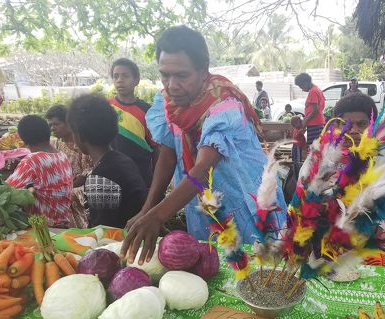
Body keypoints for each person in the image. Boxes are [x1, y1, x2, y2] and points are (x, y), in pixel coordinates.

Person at [122, 25, 286, 265]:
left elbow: (201, 171)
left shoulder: (224, 107)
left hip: (246, 205)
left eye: (181, 75)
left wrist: (158, 216)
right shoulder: (168, 102)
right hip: (203, 206)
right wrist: (148, 210)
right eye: (164, 75)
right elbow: (168, 155)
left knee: (258, 273)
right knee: (211, 271)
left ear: (203, 70)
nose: (171, 85)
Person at [331, 92, 385, 269]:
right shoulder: (327, 156)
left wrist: (360, 229)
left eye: (362, 124)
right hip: (330, 246)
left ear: (372, 125)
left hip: (377, 247)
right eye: (348, 124)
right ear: (337, 125)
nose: (354, 130)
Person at [67, 93, 147, 229]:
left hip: (121, 246)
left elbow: (104, 233)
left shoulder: (100, 178)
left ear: (80, 136)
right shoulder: (123, 160)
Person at [6, 115, 72, 228]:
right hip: (62, 222)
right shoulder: (62, 156)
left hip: (43, 228)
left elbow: (6, 192)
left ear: (23, 138)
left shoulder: (31, 161)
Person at [109, 58, 159, 187]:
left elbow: (156, 148)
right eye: (116, 76)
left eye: (125, 75)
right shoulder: (106, 107)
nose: (120, 80)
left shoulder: (148, 111)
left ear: (136, 80)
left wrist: (156, 181)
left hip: (141, 177)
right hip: (112, 177)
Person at [46, 104, 92, 228]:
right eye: (50, 125)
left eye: (56, 124)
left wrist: (66, 187)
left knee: (67, 196)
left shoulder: (81, 144)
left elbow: (87, 172)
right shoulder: (54, 144)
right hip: (62, 186)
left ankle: (77, 229)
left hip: (82, 187)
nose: (52, 128)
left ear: (69, 123)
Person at [294, 72, 326, 146]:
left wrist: (305, 122)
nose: (302, 89)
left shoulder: (313, 91)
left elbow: (315, 110)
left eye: (301, 86)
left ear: (305, 83)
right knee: (316, 147)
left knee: (313, 148)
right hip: (317, 123)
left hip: (315, 123)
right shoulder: (317, 89)